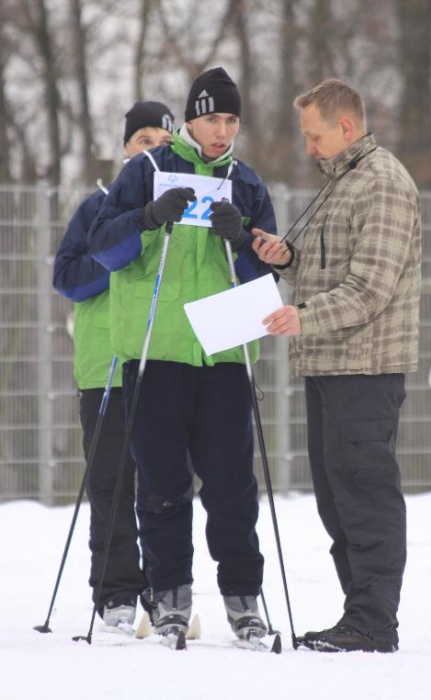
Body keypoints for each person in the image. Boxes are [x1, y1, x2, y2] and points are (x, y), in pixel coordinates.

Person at [87, 67, 277, 641]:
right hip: (157, 351)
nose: (223, 130)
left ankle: (244, 600)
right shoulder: (145, 170)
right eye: (212, 118)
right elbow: (103, 247)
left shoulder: (246, 182)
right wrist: (146, 218)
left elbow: (266, 273)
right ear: (190, 119)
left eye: (232, 119)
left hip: (224, 354)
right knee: (162, 483)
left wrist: (241, 239)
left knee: (231, 485)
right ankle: (170, 596)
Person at [252, 78, 421, 653]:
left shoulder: (382, 183)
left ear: (346, 127)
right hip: (328, 364)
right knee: (336, 498)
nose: (308, 147)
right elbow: (332, 272)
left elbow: (370, 288)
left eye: (315, 135)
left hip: (365, 368)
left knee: (365, 494)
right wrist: (288, 259)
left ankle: (374, 622)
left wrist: (301, 316)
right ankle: (360, 614)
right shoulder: (341, 183)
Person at [53, 101, 176, 630]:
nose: (152, 151)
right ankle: (117, 590)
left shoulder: (184, 206)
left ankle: (167, 589)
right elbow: (68, 278)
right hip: (105, 368)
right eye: (143, 140)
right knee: (110, 482)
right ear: (126, 148)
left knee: (164, 486)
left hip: (164, 365)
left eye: (163, 143)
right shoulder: (97, 207)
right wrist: (120, 253)